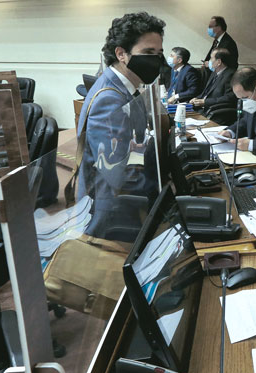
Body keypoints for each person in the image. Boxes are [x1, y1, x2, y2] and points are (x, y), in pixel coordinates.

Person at [75, 11, 165, 237]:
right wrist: (162, 194)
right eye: (148, 52)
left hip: (120, 201)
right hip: (112, 213)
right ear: (121, 53)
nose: (156, 60)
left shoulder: (122, 88)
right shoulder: (110, 99)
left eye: (159, 53)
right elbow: (117, 175)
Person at [189, 48, 236, 112]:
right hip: (202, 109)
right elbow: (206, 92)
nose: (209, 61)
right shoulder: (214, 73)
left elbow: (229, 98)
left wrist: (206, 102)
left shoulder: (231, 75)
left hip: (215, 111)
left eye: (211, 58)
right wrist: (196, 99)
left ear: (219, 62)